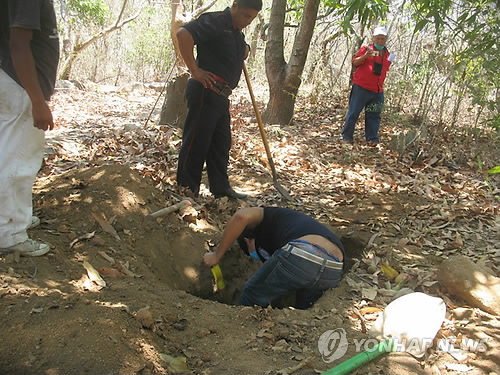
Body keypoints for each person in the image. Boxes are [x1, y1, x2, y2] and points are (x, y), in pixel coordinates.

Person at [176, 0, 262, 200]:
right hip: (205, 90)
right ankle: (187, 190)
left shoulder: (235, 32)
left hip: (221, 95)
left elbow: (241, 50)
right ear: (234, 6)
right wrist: (195, 70)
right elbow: (183, 34)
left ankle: (220, 188)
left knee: (221, 144)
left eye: (253, 18)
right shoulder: (216, 21)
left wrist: (244, 49)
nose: (248, 21)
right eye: (246, 15)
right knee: (197, 142)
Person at [0, 0, 60, 256]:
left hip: (12, 79)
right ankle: (10, 232)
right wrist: (37, 100)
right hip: (20, 84)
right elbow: (19, 44)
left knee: (7, 151)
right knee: (19, 159)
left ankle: (11, 216)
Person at [203, 207, 345, 309]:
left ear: (248, 240)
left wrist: (216, 255)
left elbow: (241, 216)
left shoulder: (265, 215)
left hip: (302, 251)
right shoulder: (286, 224)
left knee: (251, 295)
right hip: (334, 266)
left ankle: (239, 333)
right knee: (305, 310)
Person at [342, 26, 393, 146]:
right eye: (378, 38)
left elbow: (387, 68)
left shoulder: (388, 55)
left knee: (374, 115)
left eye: (383, 39)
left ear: (386, 40)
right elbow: (355, 62)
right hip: (361, 88)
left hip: (377, 90)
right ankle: (347, 137)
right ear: (374, 38)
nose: (380, 41)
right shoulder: (366, 49)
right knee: (354, 112)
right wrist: (366, 56)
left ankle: (372, 139)